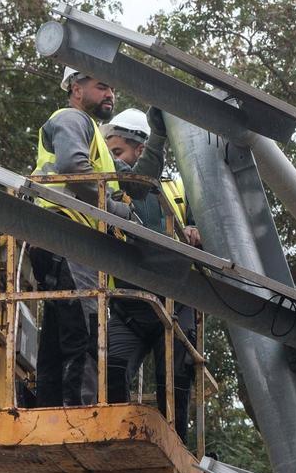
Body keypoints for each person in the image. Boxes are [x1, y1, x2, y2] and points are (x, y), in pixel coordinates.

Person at [28, 68, 165, 407]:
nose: (110, 95)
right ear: (76, 89)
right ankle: (81, 417)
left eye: (112, 88)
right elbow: (75, 170)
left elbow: (138, 185)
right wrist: (118, 212)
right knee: (86, 334)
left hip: (65, 242)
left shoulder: (96, 142)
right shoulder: (71, 119)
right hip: (68, 237)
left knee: (59, 338)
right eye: (102, 86)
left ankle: (49, 412)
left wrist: (158, 135)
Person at [102, 108, 202, 439]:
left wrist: (194, 229)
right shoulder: (109, 190)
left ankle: (176, 447)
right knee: (112, 369)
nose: (112, 160)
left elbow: (206, 225)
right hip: (128, 305)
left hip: (175, 304)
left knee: (174, 382)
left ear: (141, 150)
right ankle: (118, 442)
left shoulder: (177, 190)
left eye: (117, 152)